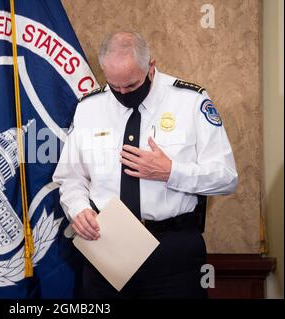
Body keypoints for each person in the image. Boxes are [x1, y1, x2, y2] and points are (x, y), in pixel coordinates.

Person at [52, 31, 238, 299]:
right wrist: (78, 209)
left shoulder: (190, 101)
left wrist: (171, 172)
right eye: (114, 86)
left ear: (151, 66)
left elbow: (226, 177)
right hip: (107, 248)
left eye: (130, 85)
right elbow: (71, 178)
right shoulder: (89, 107)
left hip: (172, 253)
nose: (122, 93)